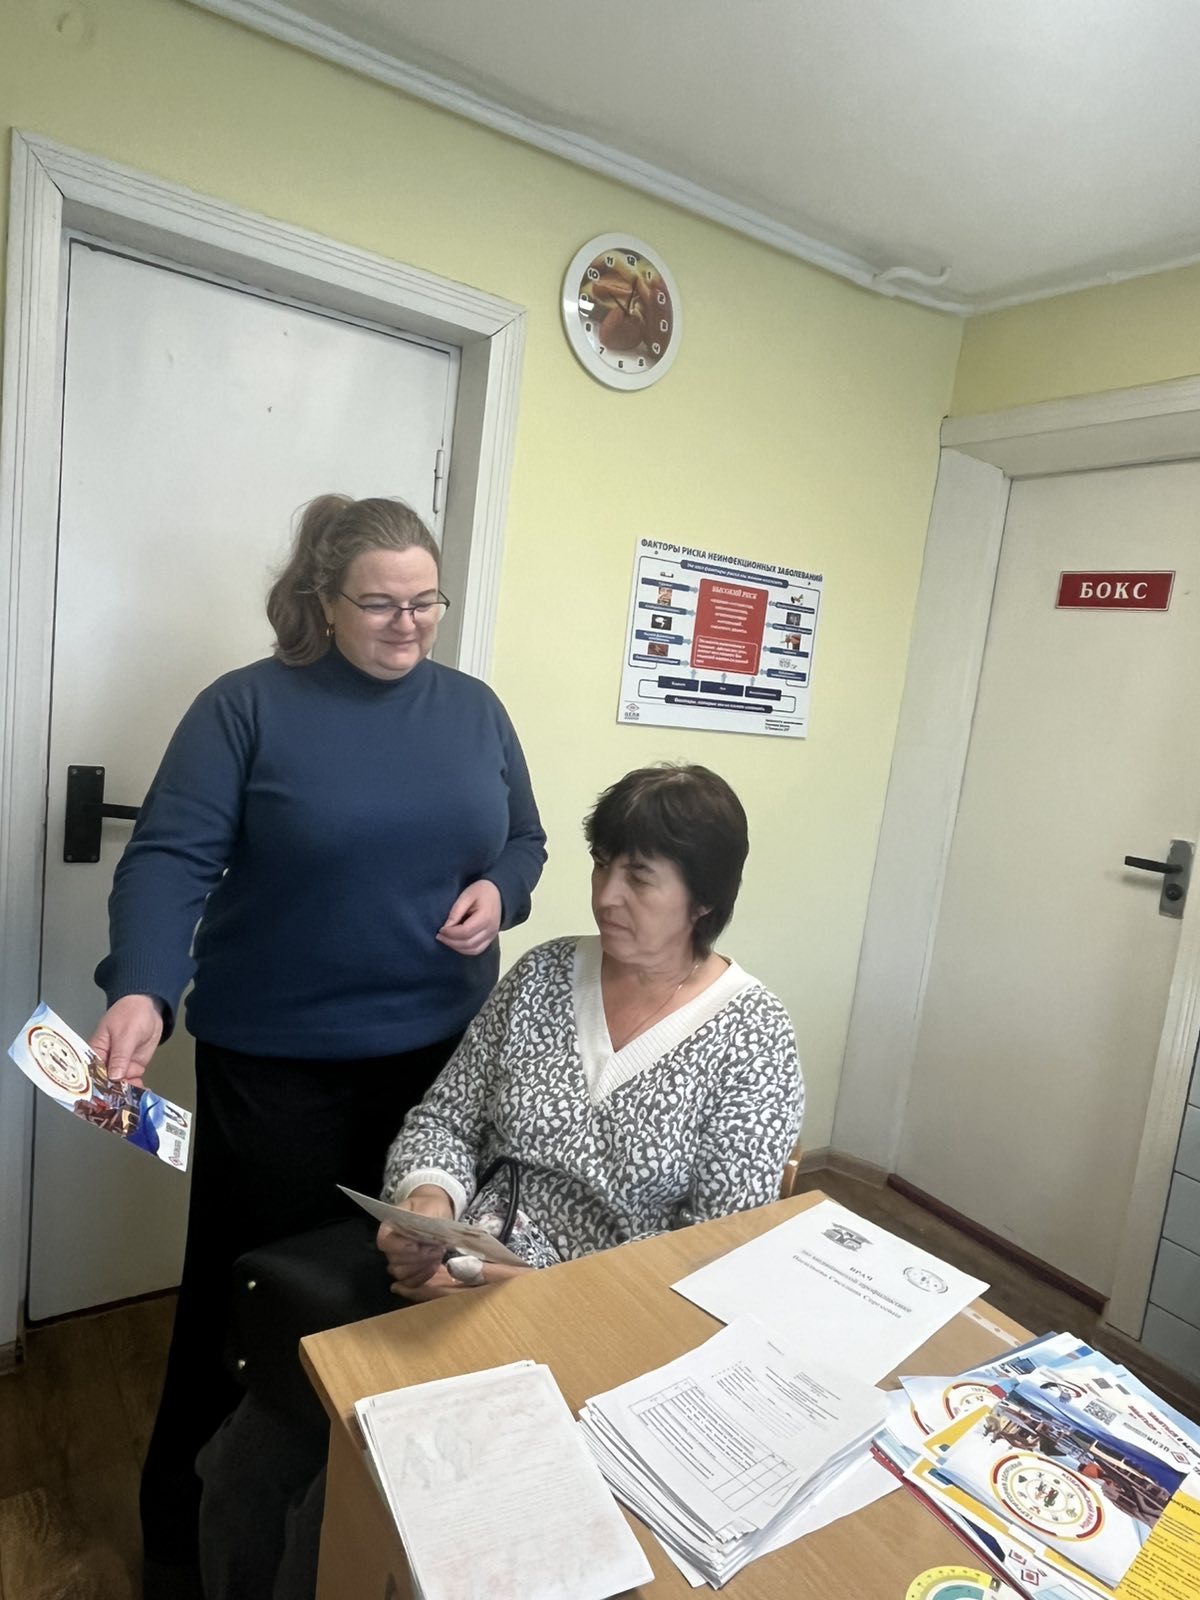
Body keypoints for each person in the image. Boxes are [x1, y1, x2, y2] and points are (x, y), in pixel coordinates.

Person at [197, 762, 803, 1600]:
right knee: (242, 1466)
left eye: (639, 877)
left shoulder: (754, 1038)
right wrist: (426, 1205)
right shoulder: (546, 976)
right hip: (446, 1288)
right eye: (601, 865)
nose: (606, 896)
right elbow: (445, 1118)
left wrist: (538, 1290)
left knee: (333, 1518)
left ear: (702, 897)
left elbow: (713, 1264)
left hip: (595, 1344)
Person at [87, 495, 546, 1596]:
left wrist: (501, 890)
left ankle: (359, 1540)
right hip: (277, 1069)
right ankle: (188, 1550)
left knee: (409, 1299)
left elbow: (525, 839)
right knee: (250, 1311)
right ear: (323, 600)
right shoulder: (244, 707)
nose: (409, 623)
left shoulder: (475, 711)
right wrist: (143, 985)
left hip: (440, 1070)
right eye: (381, 604)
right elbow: (169, 858)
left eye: (426, 601)